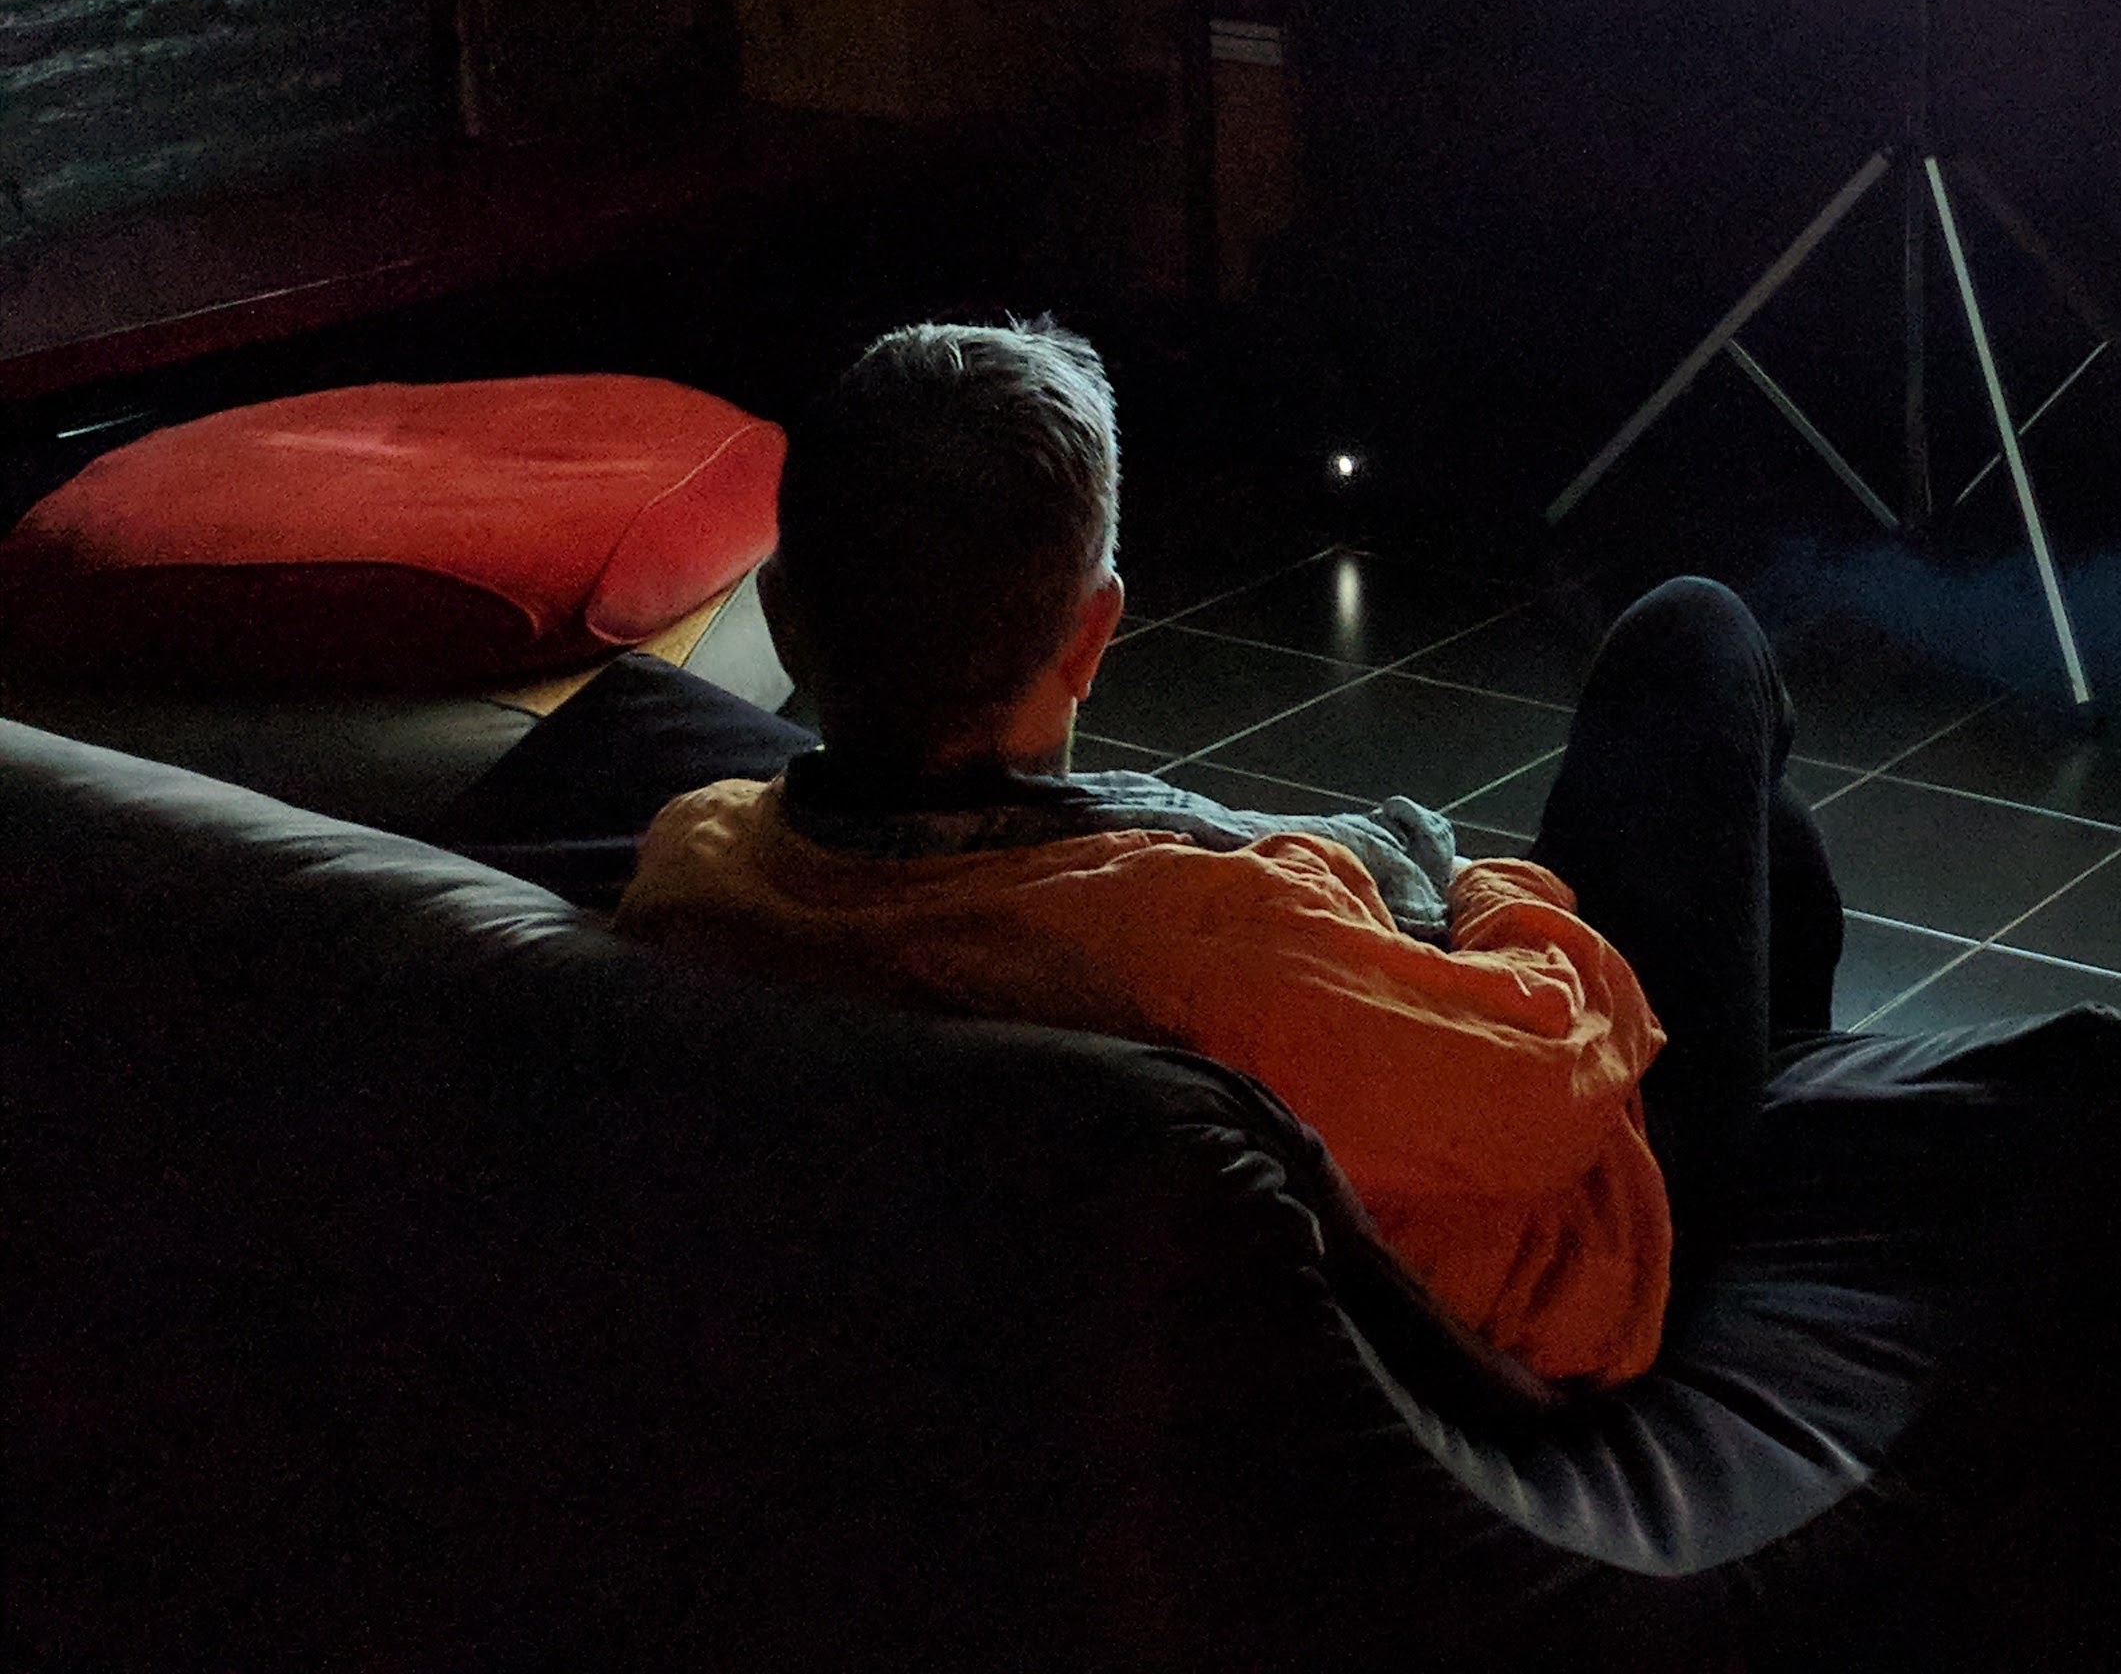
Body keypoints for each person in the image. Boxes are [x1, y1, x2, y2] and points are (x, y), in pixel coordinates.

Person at [618, 321, 1840, 1385]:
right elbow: (1564, 1062)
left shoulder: (695, 861)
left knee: (1770, 841)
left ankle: (1792, 1081)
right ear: (1094, 635)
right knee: (1693, 639)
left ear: (782, 616)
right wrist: (1483, 888)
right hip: (1567, 1281)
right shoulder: (1220, 947)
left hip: (1061, 1308)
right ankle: (1762, 1265)